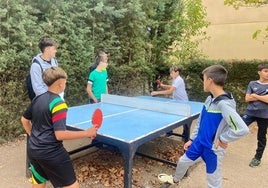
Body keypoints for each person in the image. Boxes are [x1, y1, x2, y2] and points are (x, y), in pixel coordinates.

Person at [158, 65, 249, 187]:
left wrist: (223, 139)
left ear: (210, 80)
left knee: (213, 182)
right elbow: (201, 121)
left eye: (204, 79)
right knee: (182, 161)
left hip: (213, 150)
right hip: (199, 143)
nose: (203, 82)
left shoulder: (224, 104)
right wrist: (192, 139)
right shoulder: (209, 99)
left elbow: (242, 129)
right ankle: (175, 180)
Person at [21, 67, 98, 188]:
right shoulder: (58, 104)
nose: (65, 84)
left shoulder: (38, 98)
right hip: (51, 153)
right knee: (72, 186)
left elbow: (24, 120)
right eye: (65, 82)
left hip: (34, 150)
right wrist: (87, 133)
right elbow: (60, 134)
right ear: (61, 84)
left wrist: (33, 136)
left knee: (39, 181)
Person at [242, 63, 268, 167]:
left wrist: (255, 96)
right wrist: (263, 97)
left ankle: (257, 158)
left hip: (264, 116)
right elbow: (247, 98)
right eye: (265, 71)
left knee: (261, 137)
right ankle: (219, 146)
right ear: (259, 72)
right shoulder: (252, 83)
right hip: (250, 113)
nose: (267, 73)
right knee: (237, 127)